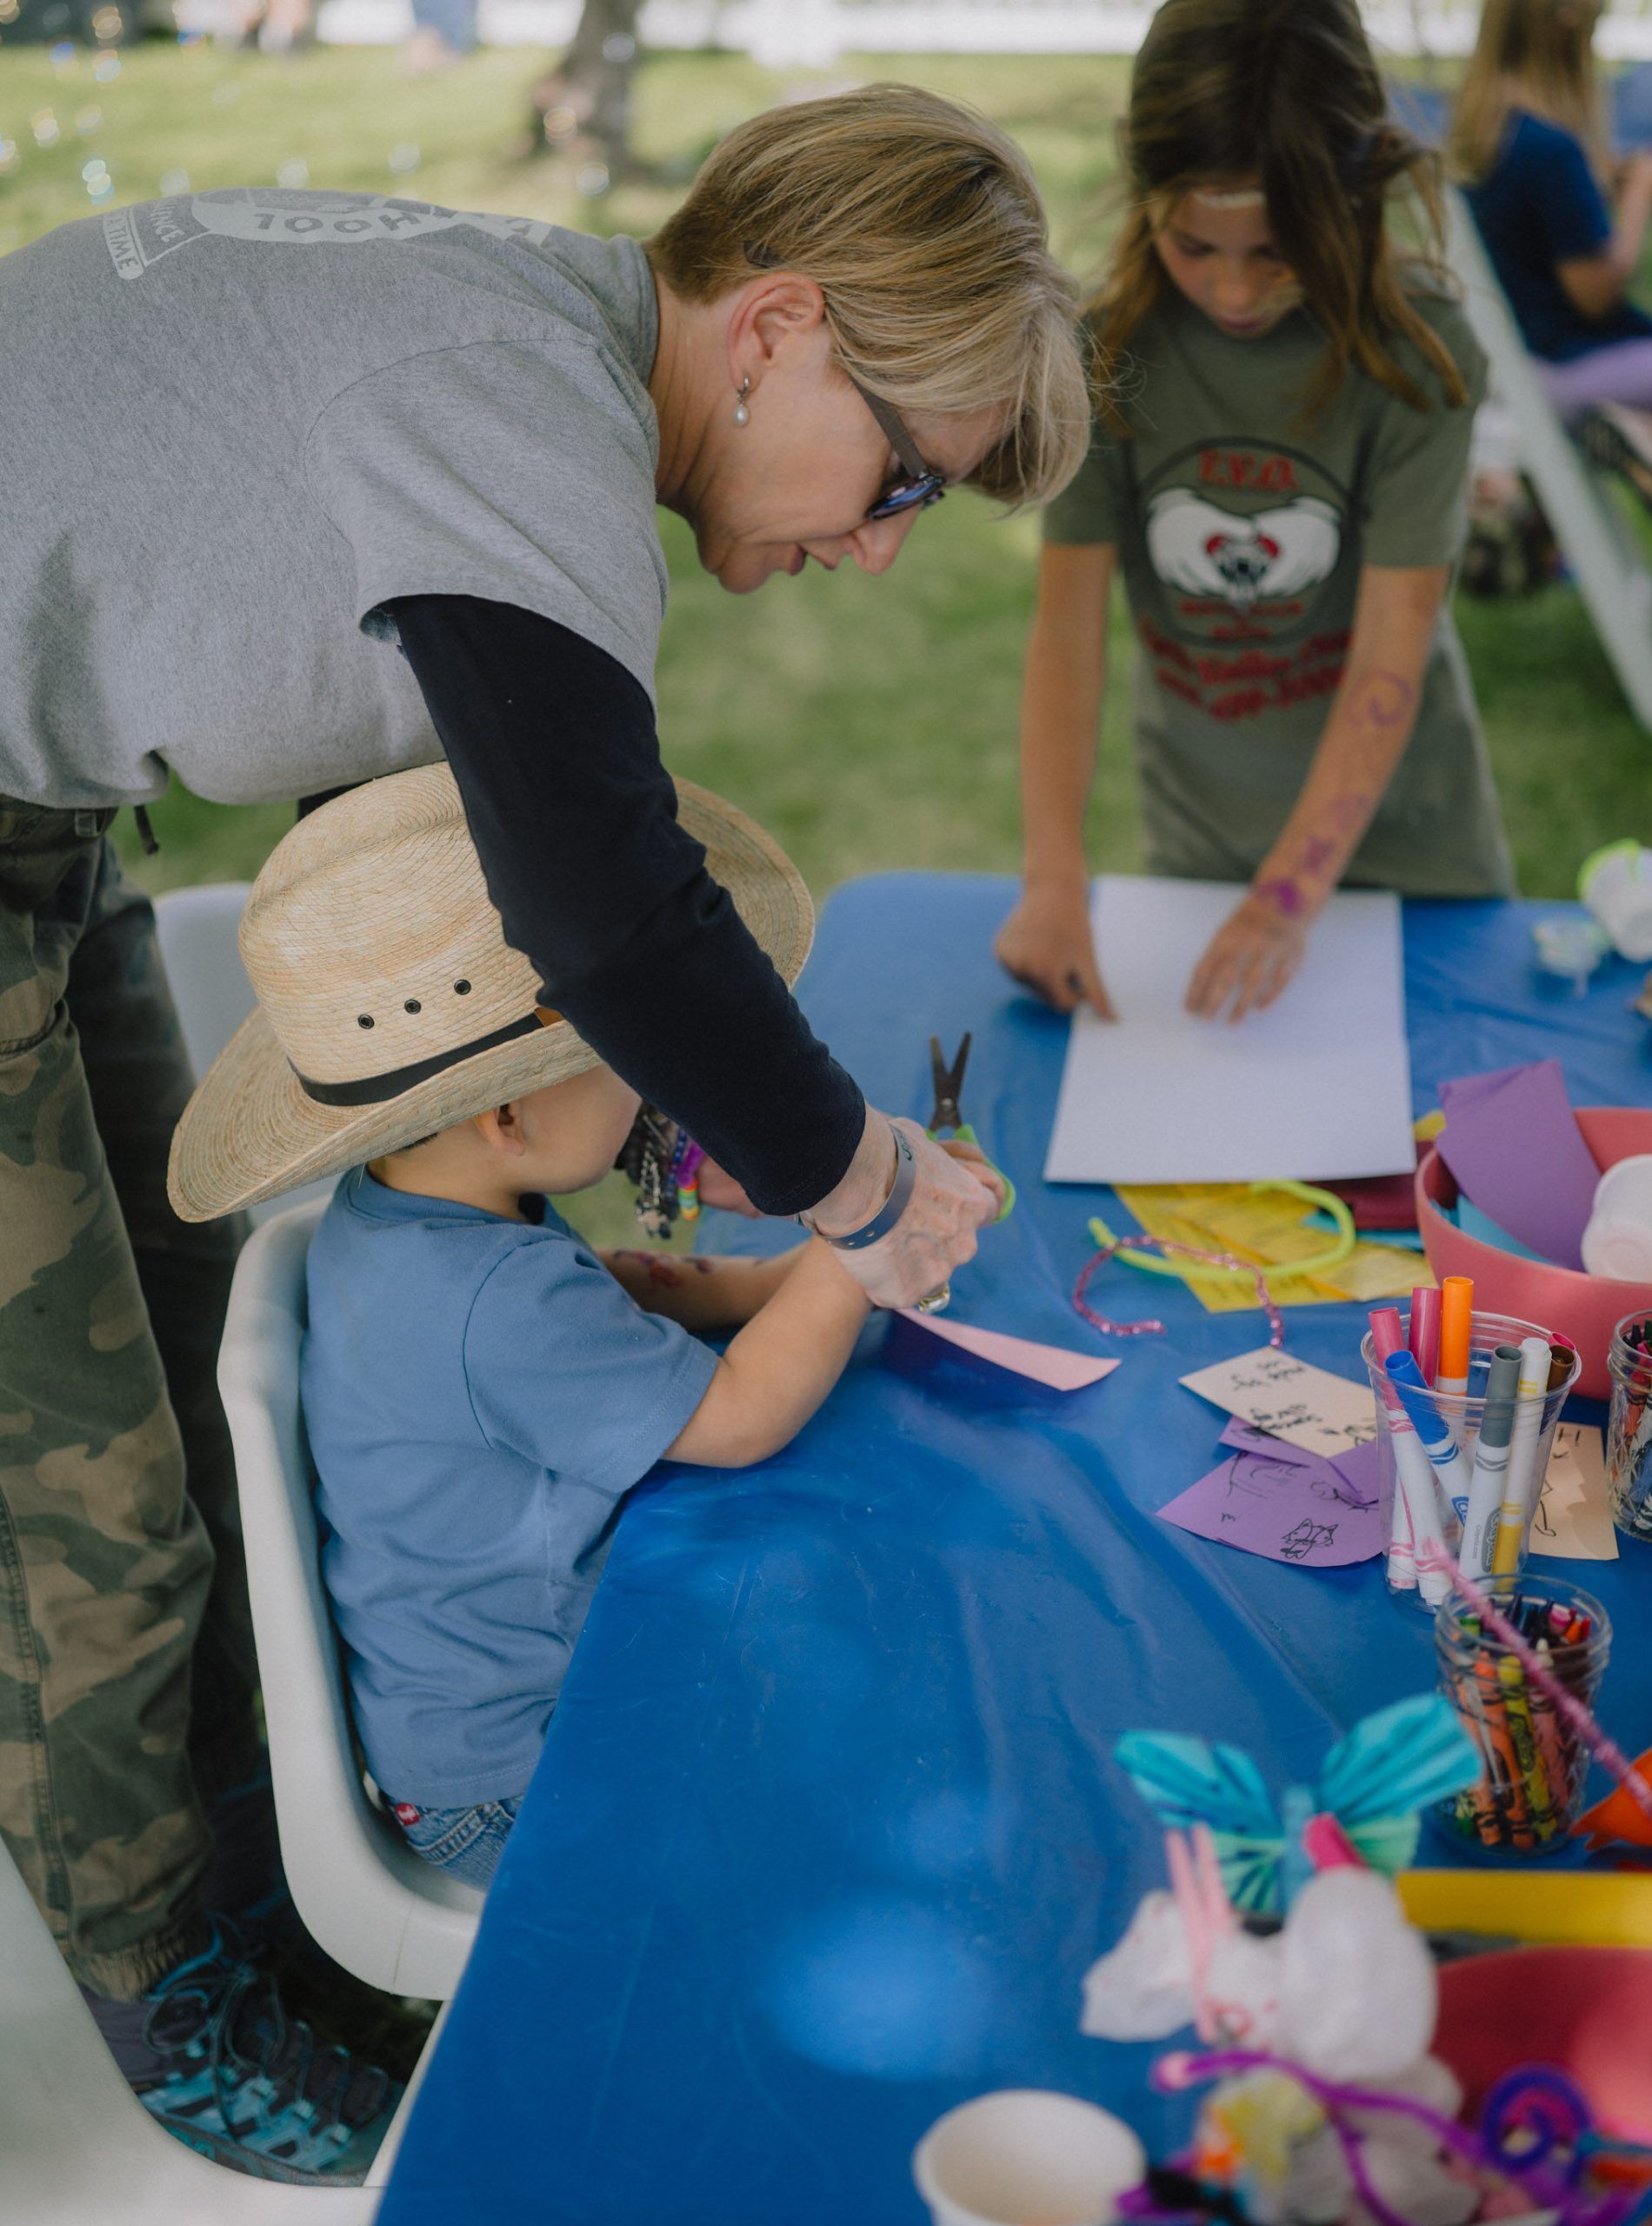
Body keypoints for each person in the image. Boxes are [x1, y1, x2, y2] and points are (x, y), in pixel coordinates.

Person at [0, 85, 1086, 2178]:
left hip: (37, 811)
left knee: (191, 1350)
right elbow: (601, 907)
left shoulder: (523, 339)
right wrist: (857, 1187)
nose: (873, 543)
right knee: (89, 1498)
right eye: (906, 478)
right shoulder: (526, 421)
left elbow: (441, 848)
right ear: (773, 325)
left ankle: (268, 1893)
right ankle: (183, 1996)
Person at [170, 764, 899, 1892]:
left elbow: (608, 1293)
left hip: (461, 1749)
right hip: (530, 1779)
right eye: (615, 1055)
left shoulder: (403, 1211)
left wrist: (781, 1283)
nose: (645, 1077)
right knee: (861, 1734)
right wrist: (862, 1239)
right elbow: (742, 1417)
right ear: (509, 1112)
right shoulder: (493, 1305)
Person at [994, 0, 1515, 1030]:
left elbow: (1388, 652)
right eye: (1195, 247)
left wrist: (1287, 897)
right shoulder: (1106, 354)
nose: (1233, 289)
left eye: (1275, 252)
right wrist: (1051, 881)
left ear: (1353, 197)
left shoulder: (1420, 354)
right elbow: (1064, 635)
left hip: (1411, 844)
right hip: (1204, 839)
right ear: (1145, 198)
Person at [1452, 0, 1652, 514]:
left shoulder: (1491, 131)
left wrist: (1602, 191)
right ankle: (1647, 440)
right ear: (1566, 16)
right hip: (1576, 368)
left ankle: (1651, 443)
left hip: (1529, 363)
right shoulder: (1550, 147)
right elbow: (1595, 293)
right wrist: (1639, 198)